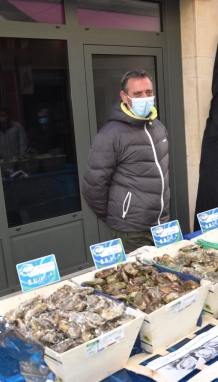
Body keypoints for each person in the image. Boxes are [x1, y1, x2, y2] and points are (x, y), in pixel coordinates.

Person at [82, 69, 170, 253]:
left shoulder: (157, 127)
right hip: (131, 231)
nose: (144, 98)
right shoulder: (110, 135)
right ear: (124, 96)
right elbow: (93, 186)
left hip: (161, 224)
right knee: (141, 280)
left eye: (149, 92)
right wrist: (119, 217)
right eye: (137, 94)